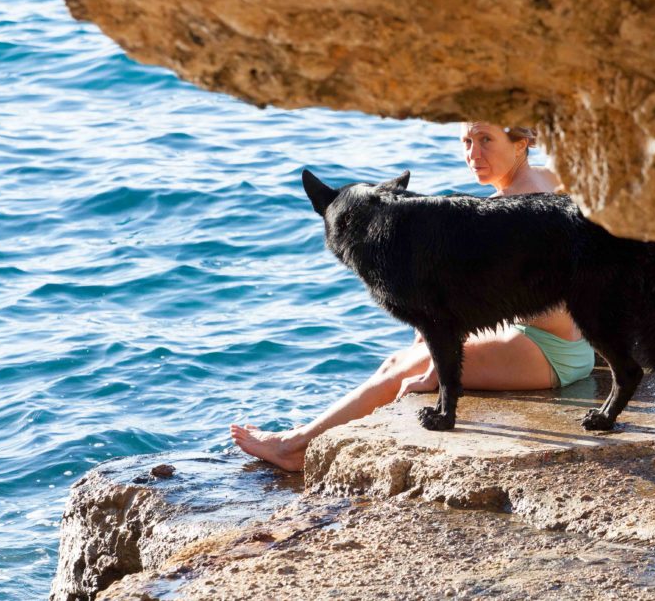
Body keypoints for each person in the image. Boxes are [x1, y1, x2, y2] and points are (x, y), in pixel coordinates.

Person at [230, 122, 595, 471]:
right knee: (419, 340)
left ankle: (293, 447)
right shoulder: (543, 180)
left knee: (399, 368)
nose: (473, 154)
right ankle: (305, 439)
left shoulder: (522, 200)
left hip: (547, 351)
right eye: (466, 142)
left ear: (520, 143)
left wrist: (433, 369)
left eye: (486, 140)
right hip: (557, 340)